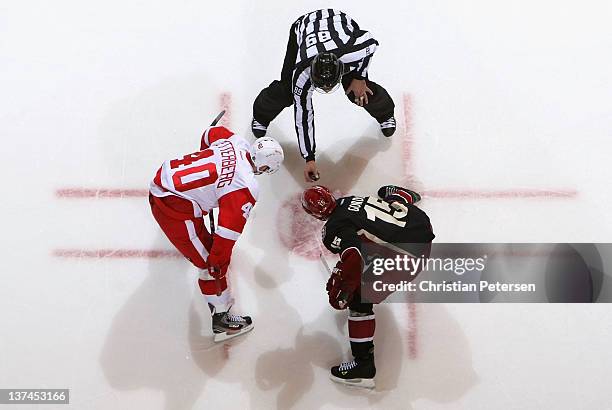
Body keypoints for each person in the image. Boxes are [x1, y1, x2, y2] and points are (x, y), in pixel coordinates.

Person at [149, 124, 284, 342]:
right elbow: (227, 234)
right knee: (208, 265)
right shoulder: (246, 185)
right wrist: (217, 263)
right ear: (265, 168)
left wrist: (211, 161)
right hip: (172, 207)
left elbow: (210, 134)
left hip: (165, 177)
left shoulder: (236, 142)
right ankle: (221, 321)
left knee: (210, 254)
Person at [301, 185, 435, 388]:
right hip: (421, 225)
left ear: (313, 214)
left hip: (411, 257)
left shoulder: (332, 230)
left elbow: (354, 255)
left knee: (359, 300)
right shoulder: (350, 200)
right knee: (387, 201)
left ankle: (363, 366)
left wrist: (344, 287)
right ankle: (402, 196)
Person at [252, 9, 396, 182]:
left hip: (339, 21)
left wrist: (360, 77)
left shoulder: (351, 52)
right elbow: (303, 115)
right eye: (322, 87)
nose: (327, 91)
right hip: (303, 26)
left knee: (358, 91)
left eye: (331, 86)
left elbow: (371, 42)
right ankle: (260, 116)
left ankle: (386, 115)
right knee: (286, 91)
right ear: (311, 75)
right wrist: (309, 157)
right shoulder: (302, 74)